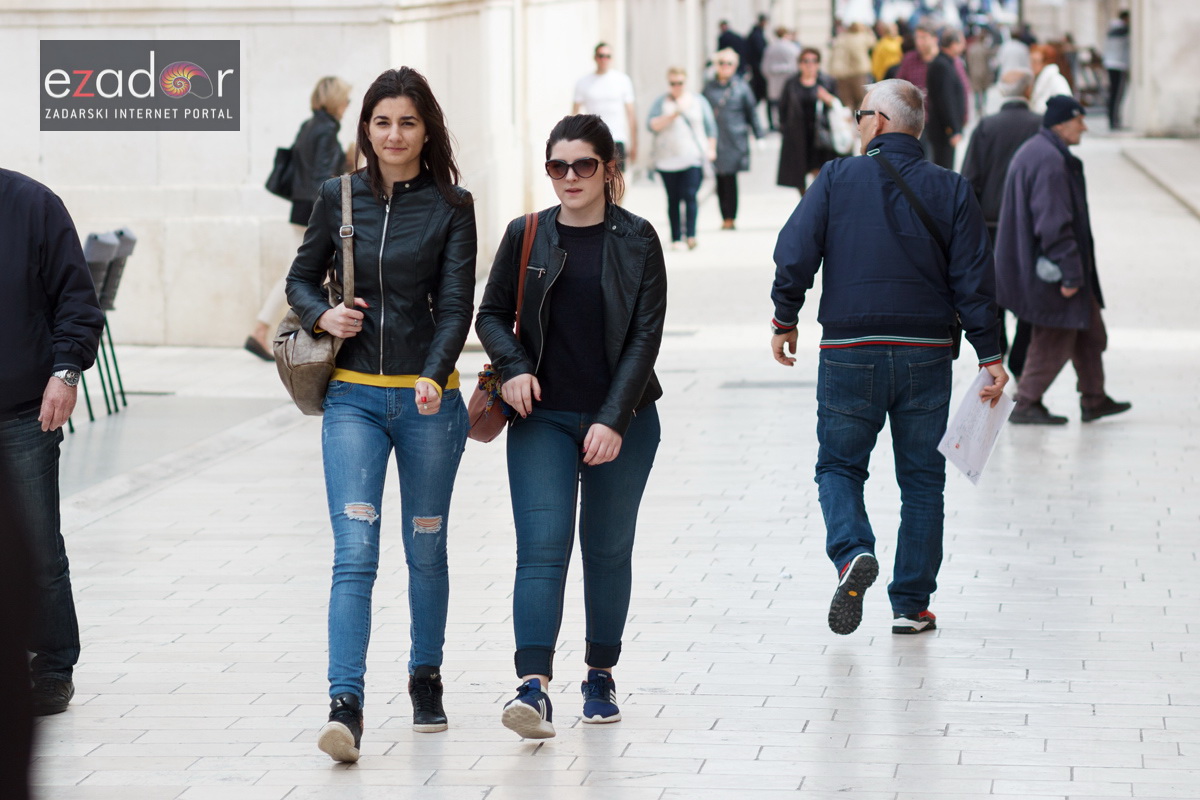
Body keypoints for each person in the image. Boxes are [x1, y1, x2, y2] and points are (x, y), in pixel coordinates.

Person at [286, 67, 477, 763]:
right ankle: (346, 704)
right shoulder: (337, 198)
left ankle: (426, 677)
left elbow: (457, 305)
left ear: (428, 129)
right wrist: (320, 312)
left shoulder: (453, 206)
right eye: (380, 122)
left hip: (429, 401)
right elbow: (301, 278)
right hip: (354, 399)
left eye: (406, 122)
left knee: (425, 546)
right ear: (364, 128)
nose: (392, 135)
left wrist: (432, 375)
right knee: (355, 553)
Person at [770, 79, 1008, 637]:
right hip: (926, 351)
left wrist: (786, 316)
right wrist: (990, 353)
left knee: (838, 466)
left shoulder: (835, 178)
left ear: (877, 121)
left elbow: (795, 250)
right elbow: (975, 277)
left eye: (859, 115)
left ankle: (853, 551)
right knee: (923, 481)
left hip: (850, 349)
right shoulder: (951, 189)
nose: (856, 124)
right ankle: (910, 604)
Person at [476, 114, 666, 740]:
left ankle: (599, 672)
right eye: (558, 166)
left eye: (584, 165)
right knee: (541, 549)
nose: (570, 177)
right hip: (543, 419)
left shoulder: (639, 240)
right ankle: (533, 687)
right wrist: (512, 367)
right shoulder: (526, 234)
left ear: (610, 170)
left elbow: (643, 340)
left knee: (607, 550)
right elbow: (492, 314)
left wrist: (614, 419)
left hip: (625, 421)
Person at [0, 169, 105, 716]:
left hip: (21, 412)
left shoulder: (34, 205)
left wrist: (65, 372)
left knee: (38, 547)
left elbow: (78, 304)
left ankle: (53, 664)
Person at [995, 95, 1131, 425]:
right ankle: (1026, 403)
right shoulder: (1049, 160)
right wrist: (1071, 275)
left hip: (1045, 269)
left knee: (1090, 334)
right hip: (1052, 274)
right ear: (1061, 123)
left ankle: (1094, 398)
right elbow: (1053, 224)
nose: (1084, 126)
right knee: (1053, 338)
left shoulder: (1040, 151)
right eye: (1079, 120)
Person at [246, 76, 351, 361]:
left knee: (301, 272)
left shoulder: (308, 126)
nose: (347, 105)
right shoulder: (327, 131)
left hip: (300, 208)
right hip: (313, 213)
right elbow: (322, 178)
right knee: (300, 274)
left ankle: (267, 329)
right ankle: (262, 329)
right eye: (346, 99)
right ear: (335, 101)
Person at [961, 69, 1041, 376]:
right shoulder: (1040, 125)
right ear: (1029, 90)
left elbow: (970, 179)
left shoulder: (987, 126)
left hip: (991, 224)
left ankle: (1000, 347)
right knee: (1026, 289)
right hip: (1029, 226)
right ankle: (1020, 357)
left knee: (993, 290)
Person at [647, 67, 717, 250]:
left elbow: (710, 126)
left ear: (686, 83)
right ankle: (676, 237)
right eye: (673, 83)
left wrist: (711, 149)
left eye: (680, 83)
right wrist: (673, 114)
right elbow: (652, 125)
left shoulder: (698, 101)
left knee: (690, 195)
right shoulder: (661, 102)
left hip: (692, 157)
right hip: (667, 160)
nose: (676, 86)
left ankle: (691, 236)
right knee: (673, 199)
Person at [703, 49, 764, 230]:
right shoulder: (709, 87)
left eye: (729, 63)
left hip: (735, 139)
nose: (725, 67)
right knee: (720, 176)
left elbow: (751, 112)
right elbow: (702, 112)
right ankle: (725, 215)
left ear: (735, 66)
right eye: (722, 63)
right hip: (715, 138)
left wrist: (759, 135)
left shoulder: (741, 87)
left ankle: (730, 217)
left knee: (730, 177)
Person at [777, 48, 838, 197]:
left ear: (818, 64)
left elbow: (838, 106)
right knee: (798, 172)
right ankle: (805, 200)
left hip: (820, 133)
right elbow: (783, 107)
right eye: (806, 61)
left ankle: (816, 199)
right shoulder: (791, 83)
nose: (810, 64)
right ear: (800, 64)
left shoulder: (827, 82)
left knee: (819, 169)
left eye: (814, 61)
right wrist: (785, 128)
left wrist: (828, 99)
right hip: (798, 133)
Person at [573, 43, 639, 168]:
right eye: (601, 56)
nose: (604, 59)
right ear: (595, 57)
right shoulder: (583, 82)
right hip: (592, 139)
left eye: (607, 56)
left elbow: (631, 114)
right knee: (594, 178)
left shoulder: (622, 80)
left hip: (617, 137)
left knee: (618, 181)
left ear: (612, 58)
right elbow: (575, 114)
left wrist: (634, 144)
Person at [926, 29, 967, 168]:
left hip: (944, 128)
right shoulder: (941, 65)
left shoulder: (946, 63)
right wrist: (953, 128)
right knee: (944, 166)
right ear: (953, 44)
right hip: (943, 130)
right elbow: (946, 99)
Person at [829, 21, 876, 111]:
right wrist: (868, 30)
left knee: (846, 102)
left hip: (842, 75)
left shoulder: (841, 38)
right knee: (861, 101)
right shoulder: (862, 37)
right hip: (858, 73)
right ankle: (858, 122)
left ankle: (848, 123)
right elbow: (873, 41)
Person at [763, 28, 803, 131]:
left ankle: (773, 124)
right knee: (787, 103)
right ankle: (784, 122)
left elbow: (764, 67)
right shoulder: (792, 47)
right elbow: (797, 65)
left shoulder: (770, 47)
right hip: (787, 78)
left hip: (774, 79)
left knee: (773, 103)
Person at [1103, 11, 1131, 130]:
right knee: (1117, 94)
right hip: (1118, 65)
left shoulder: (1113, 28)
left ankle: (1113, 119)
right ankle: (1114, 120)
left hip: (1111, 64)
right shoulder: (1121, 29)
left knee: (1113, 93)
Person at [1029, 44, 1072, 115]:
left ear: (1045, 62)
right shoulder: (1036, 80)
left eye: (1035, 61)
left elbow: (1066, 104)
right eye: (1030, 61)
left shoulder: (1056, 80)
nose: (1031, 65)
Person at [746, 13, 770, 108]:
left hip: (757, 66)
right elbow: (761, 51)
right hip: (758, 67)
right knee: (759, 92)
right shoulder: (757, 35)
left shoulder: (756, 33)